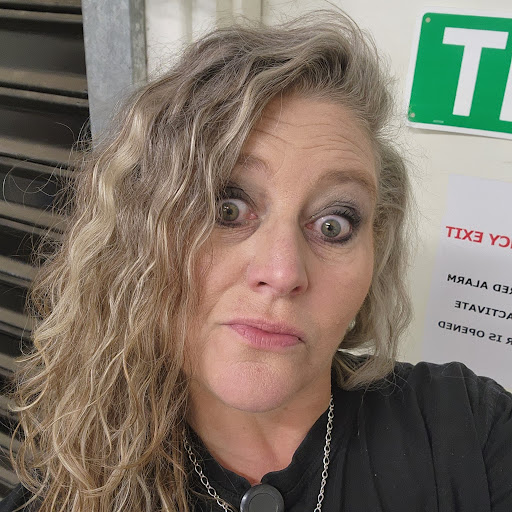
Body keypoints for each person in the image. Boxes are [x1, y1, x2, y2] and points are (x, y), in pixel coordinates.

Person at [2, 10, 512, 512]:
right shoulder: (71, 491)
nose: (283, 273)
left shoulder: (470, 430)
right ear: (141, 236)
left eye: (333, 225)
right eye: (227, 208)